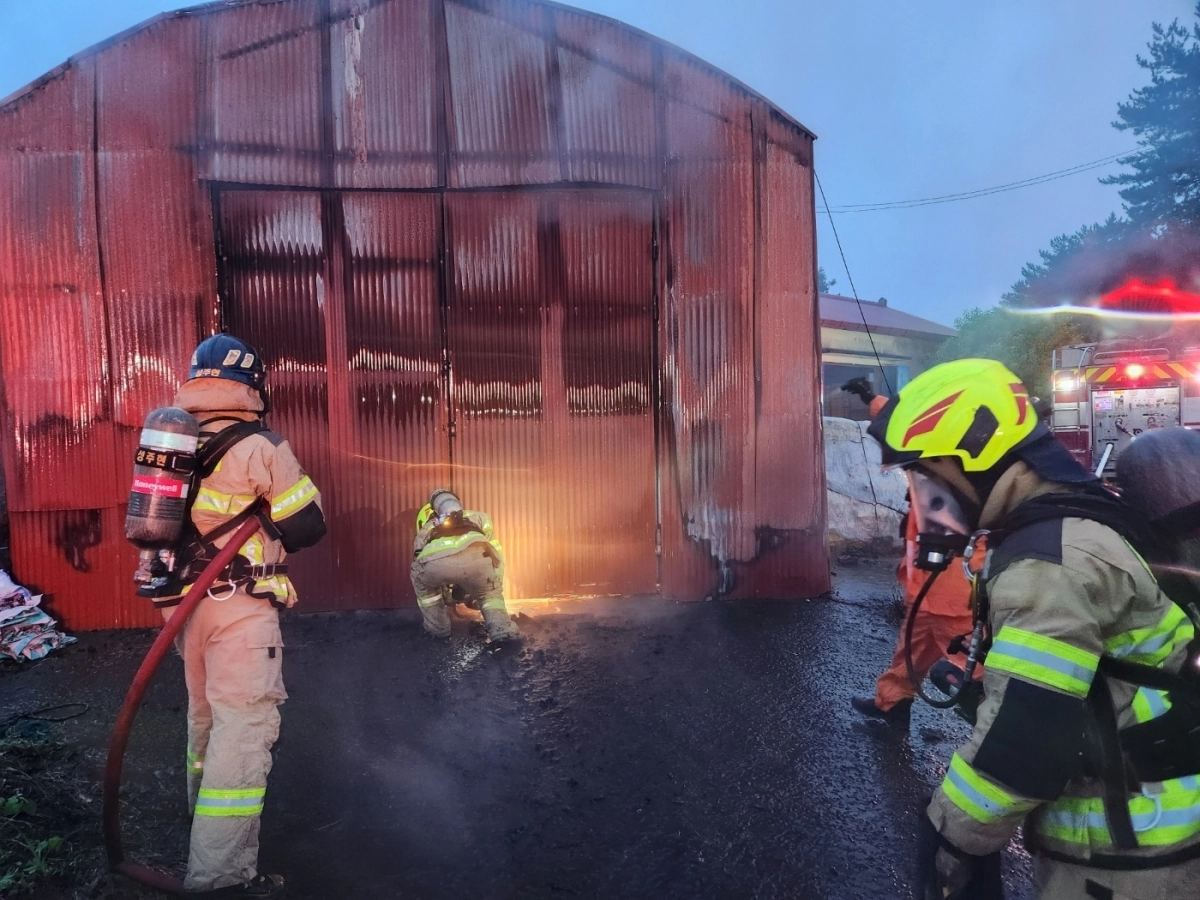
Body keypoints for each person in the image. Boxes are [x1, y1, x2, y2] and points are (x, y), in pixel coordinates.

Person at [866, 358, 1200, 899]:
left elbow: (1024, 745)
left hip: (1132, 853)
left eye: (927, 474)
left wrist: (951, 836)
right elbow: (1096, 676)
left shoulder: (1047, 562)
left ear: (976, 455)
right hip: (1162, 826)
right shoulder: (1081, 516)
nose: (924, 496)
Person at [159, 334, 326, 898]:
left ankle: (201, 826)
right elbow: (307, 526)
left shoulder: (170, 442)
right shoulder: (260, 446)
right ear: (253, 385)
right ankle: (221, 877)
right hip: (240, 609)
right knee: (245, 729)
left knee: (206, 717)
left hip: (185, 611)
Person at [840, 376, 977, 725]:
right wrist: (872, 400)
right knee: (911, 650)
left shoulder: (962, 462)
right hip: (927, 586)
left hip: (953, 592)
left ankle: (1000, 732)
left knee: (972, 668)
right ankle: (892, 703)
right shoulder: (939, 455)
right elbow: (907, 423)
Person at [411, 488, 520, 642]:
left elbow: (419, 558)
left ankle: (438, 630)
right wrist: (493, 583)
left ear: (435, 510)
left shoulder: (428, 526)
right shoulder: (480, 517)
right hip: (478, 561)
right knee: (489, 594)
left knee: (421, 581)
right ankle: (502, 631)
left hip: (438, 565)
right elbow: (494, 551)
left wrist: (445, 593)